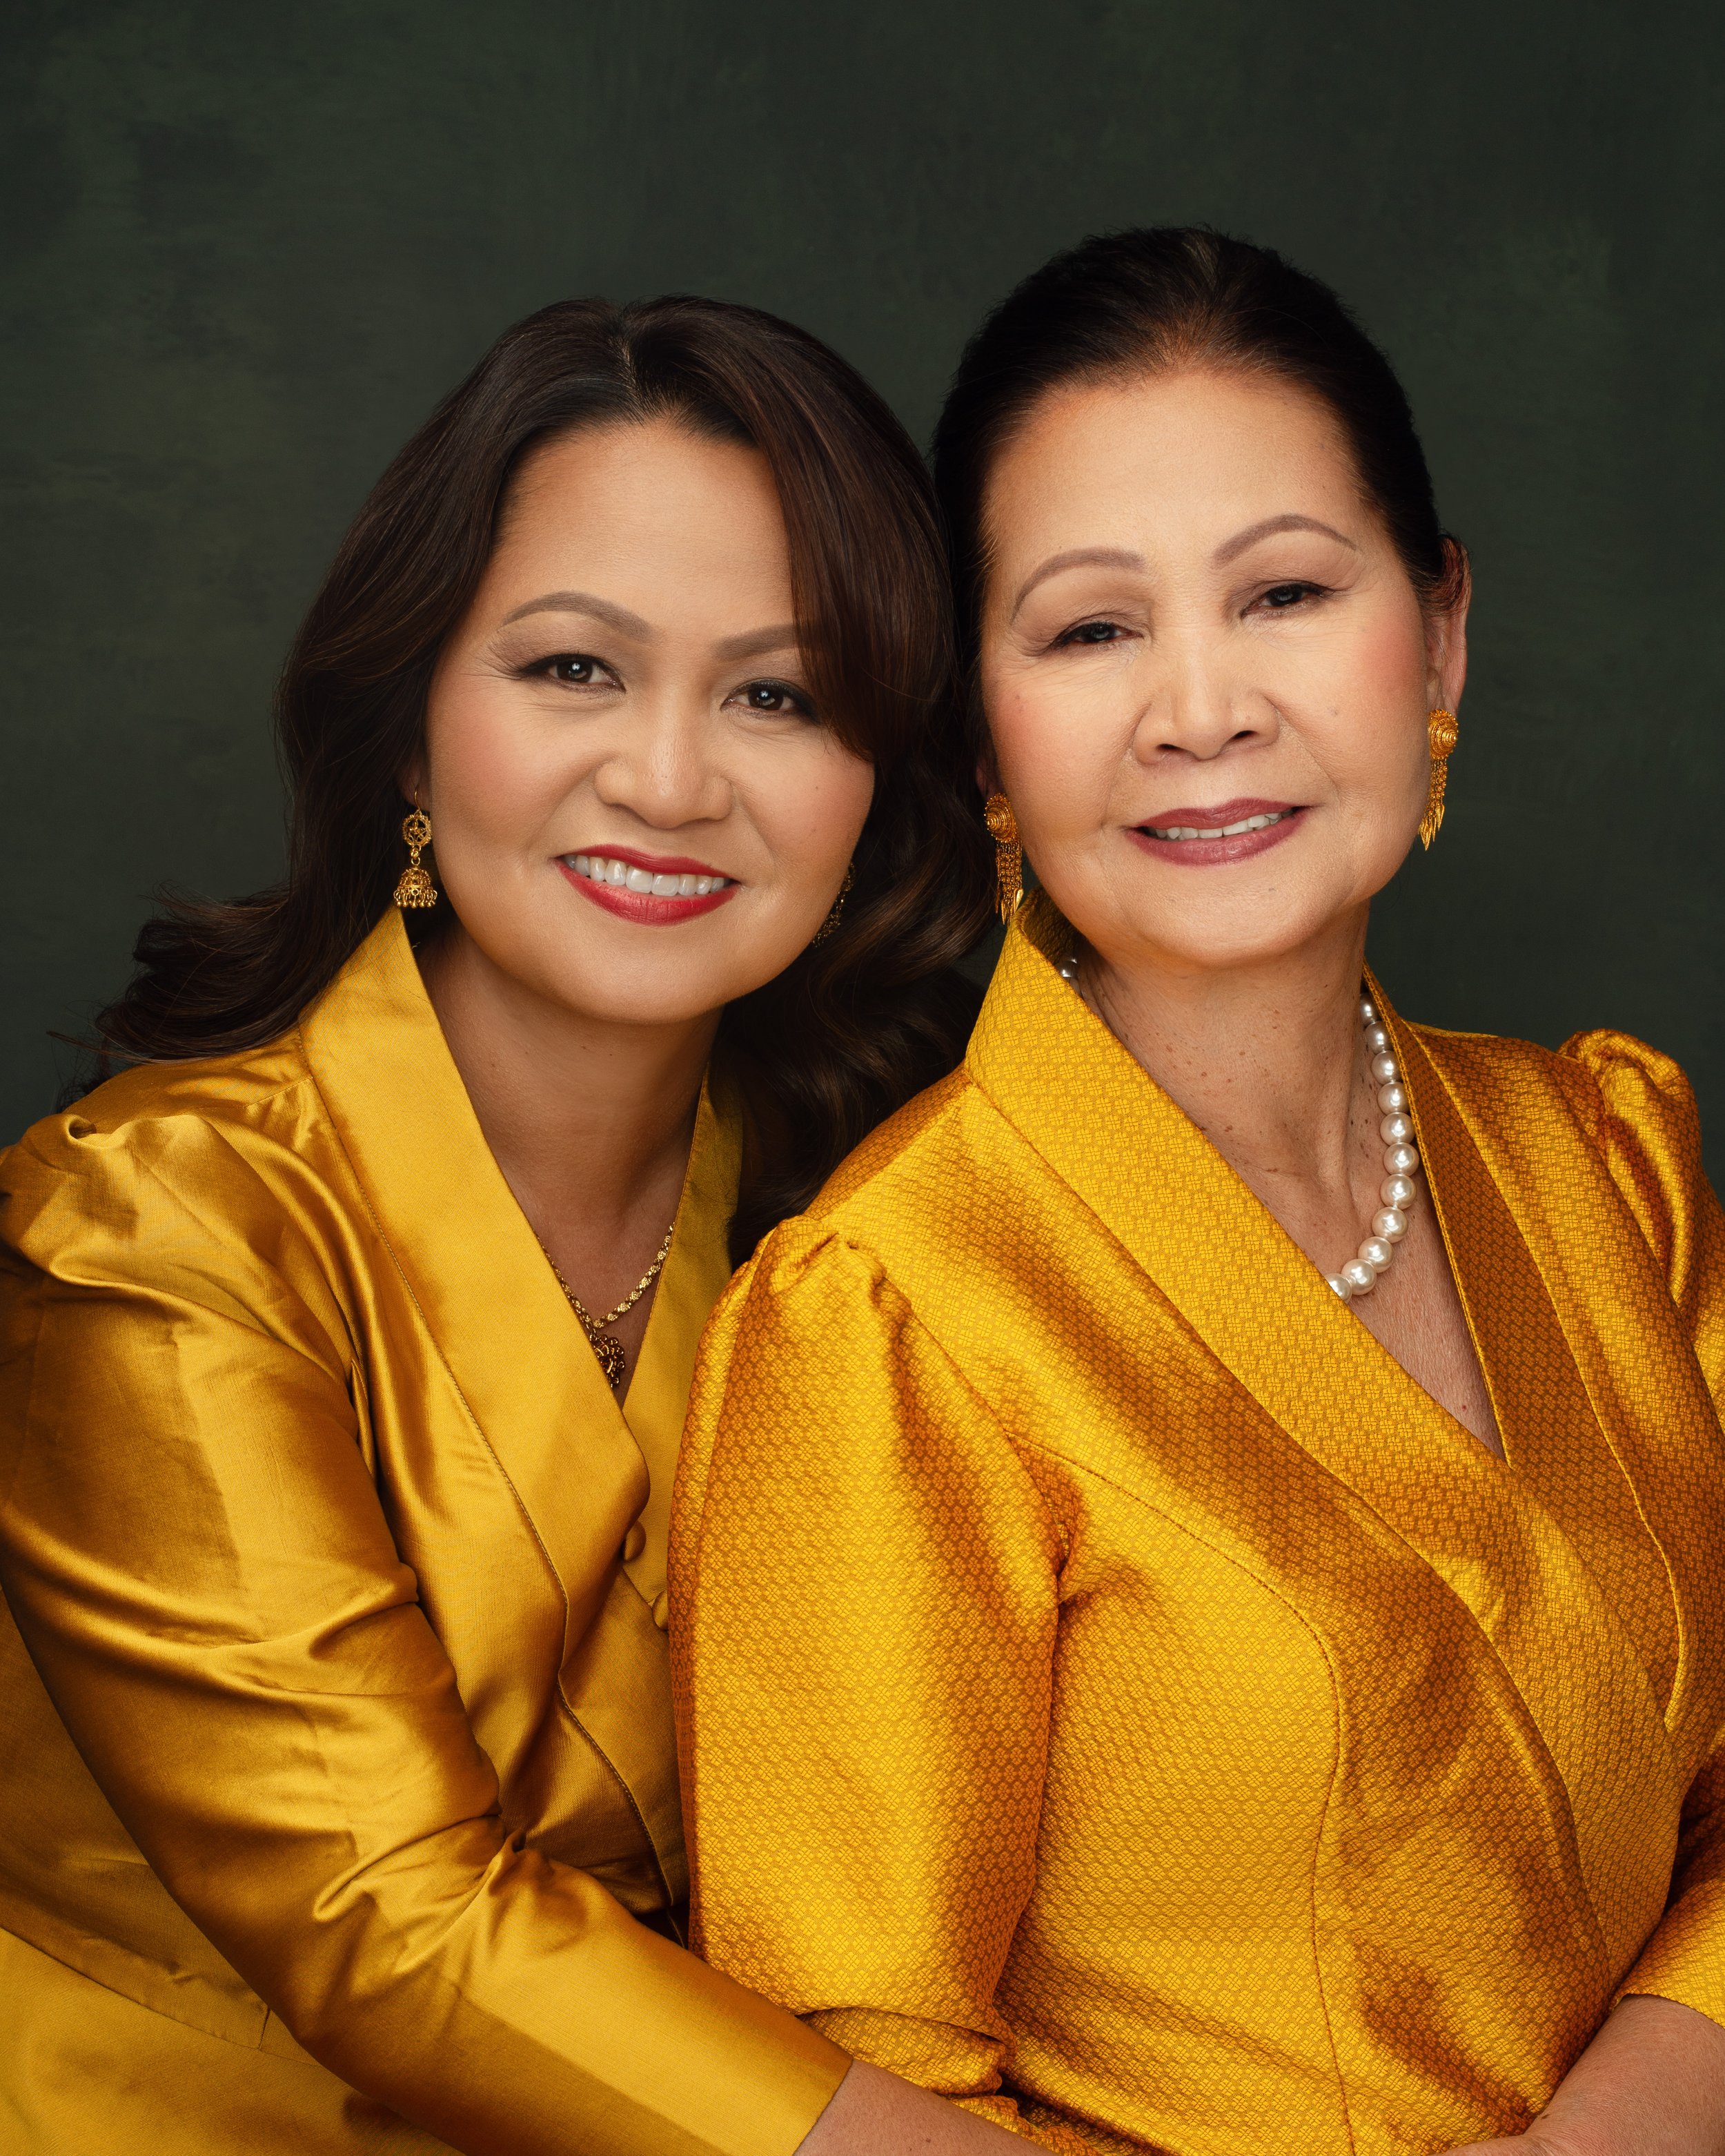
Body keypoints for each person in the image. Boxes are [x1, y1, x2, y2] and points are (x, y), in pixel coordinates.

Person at [672, 231, 1725, 2156]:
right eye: (1089, 630)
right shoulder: (891, 1313)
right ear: (979, 734)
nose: (1199, 708)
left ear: (1441, 635)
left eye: (1286, 593)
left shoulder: (1601, 1159)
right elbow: (854, 2082)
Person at [0, 295, 1025, 2156]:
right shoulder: (155, 1227)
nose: (668, 780)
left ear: (880, 785)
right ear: (409, 730)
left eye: (779, 696)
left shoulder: (872, 1208)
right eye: (573, 669)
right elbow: (387, 1919)